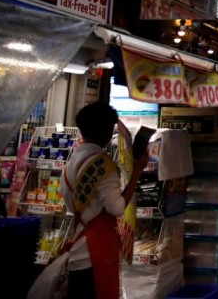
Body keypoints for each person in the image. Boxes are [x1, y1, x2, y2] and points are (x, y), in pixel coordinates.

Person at [60, 101, 150, 299]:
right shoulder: (103, 165)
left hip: (77, 249)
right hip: (96, 254)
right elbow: (116, 208)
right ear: (105, 131)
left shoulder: (71, 163)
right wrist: (136, 172)